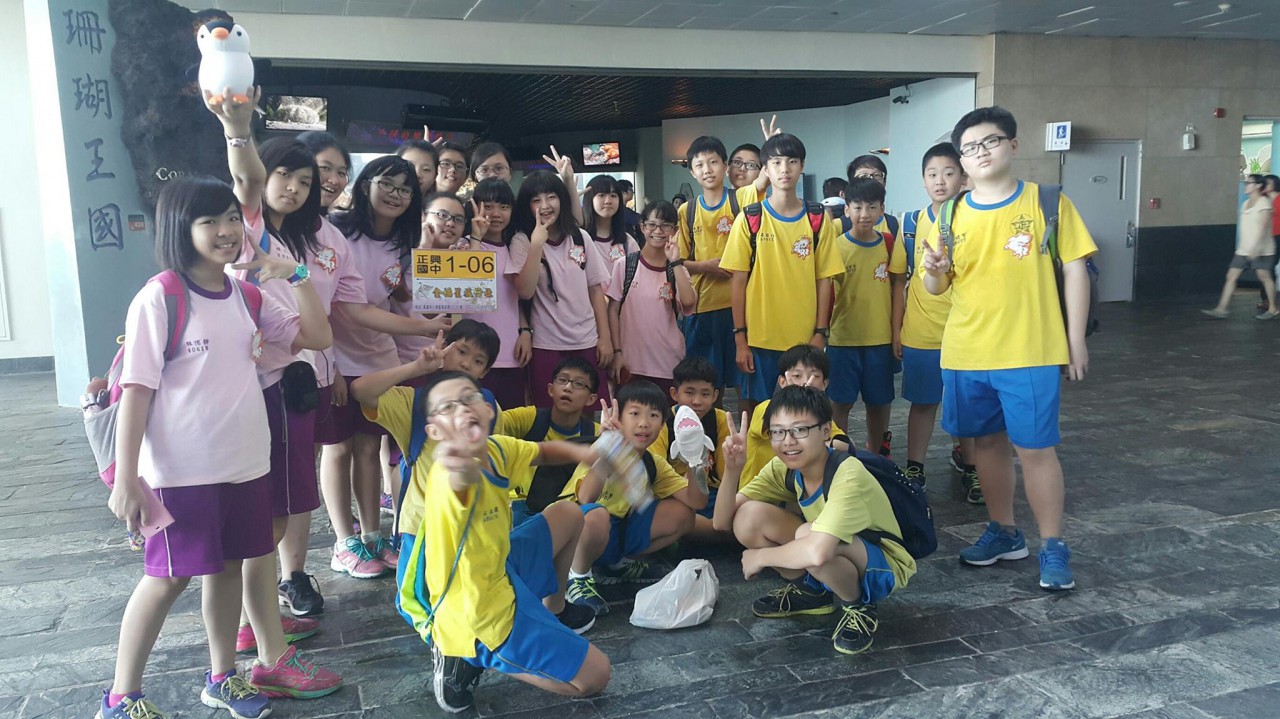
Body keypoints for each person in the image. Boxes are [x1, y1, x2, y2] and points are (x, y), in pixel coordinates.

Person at [96, 161, 330, 717]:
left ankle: (223, 676)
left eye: (231, 218)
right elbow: (137, 392)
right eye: (209, 221)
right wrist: (127, 478)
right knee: (167, 579)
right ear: (181, 228)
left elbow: (318, 337)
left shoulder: (247, 296)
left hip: (246, 463)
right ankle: (121, 696)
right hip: (180, 471)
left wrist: (296, 275)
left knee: (229, 568)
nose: (226, 231)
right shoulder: (161, 297)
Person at [920, 106, 1097, 591]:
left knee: (1036, 450)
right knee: (986, 446)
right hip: (966, 352)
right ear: (962, 159)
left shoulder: (1047, 202)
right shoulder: (949, 214)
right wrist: (935, 269)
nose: (981, 153)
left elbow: (1075, 269)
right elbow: (936, 287)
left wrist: (1074, 338)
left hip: (1029, 350)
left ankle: (1053, 545)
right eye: (970, 148)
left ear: (1013, 145)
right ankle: (1003, 531)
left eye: (990, 142)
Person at [367, 370, 612, 712]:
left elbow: (541, 452)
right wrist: (459, 462)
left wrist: (590, 452)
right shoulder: (450, 473)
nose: (462, 408)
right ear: (434, 431)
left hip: (499, 569)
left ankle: (554, 610)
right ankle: (469, 656)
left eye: (469, 398)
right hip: (477, 612)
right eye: (447, 407)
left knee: (568, 514)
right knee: (597, 675)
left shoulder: (496, 448)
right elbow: (460, 479)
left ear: (488, 410)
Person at [218, 124, 344, 694]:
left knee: (271, 517)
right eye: (283, 175)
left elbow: (316, 330)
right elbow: (245, 181)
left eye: (304, 181)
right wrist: (236, 129)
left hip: (285, 384)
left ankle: (258, 621)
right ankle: (268, 651)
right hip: (267, 389)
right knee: (266, 521)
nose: (293, 187)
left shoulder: (287, 241)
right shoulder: (250, 232)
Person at [712, 385, 916, 655]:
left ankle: (858, 606)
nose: (788, 441)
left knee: (808, 536)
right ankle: (811, 593)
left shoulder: (847, 473)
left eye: (799, 430)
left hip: (882, 564)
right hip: (825, 544)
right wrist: (733, 470)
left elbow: (817, 551)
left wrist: (760, 557)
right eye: (778, 432)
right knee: (748, 518)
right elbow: (721, 523)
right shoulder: (784, 467)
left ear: (826, 431)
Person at [322, 155, 434, 579]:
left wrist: (441, 285)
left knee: (370, 447)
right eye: (387, 183)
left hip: (378, 356)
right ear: (366, 183)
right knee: (337, 448)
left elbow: (396, 294)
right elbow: (338, 304)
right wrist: (330, 364)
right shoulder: (336, 231)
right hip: (335, 355)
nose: (395, 194)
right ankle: (343, 541)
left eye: (405, 189)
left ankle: (372, 535)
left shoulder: (404, 242)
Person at [566, 381, 709, 615]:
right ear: (619, 419)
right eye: (634, 414)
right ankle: (577, 577)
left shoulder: (653, 462)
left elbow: (697, 502)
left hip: (615, 534)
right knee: (596, 514)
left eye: (653, 415)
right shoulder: (599, 449)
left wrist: (696, 460)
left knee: (683, 515)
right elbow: (585, 497)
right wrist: (608, 452)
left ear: (662, 424)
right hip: (575, 537)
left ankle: (618, 564)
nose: (644, 423)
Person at [723, 133, 842, 407]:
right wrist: (740, 339)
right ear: (765, 169)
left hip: (805, 340)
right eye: (776, 162)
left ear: (802, 166)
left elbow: (825, 280)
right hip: (760, 338)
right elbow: (738, 283)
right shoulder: (750, 218)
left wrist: (820, 332)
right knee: (760, 412)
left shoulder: (817, 218)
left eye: (792, 161)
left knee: (804, 411)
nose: (784, 169)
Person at [889, 142, 979, 498]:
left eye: (948, 173)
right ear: (923, 180)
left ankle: (971, 466)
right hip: (921, 331)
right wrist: (896, 329)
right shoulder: (912, 223)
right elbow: (899, 279)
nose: (940, 181)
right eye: (932, 174)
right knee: (923, 402)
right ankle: (915, 466)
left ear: (963, 178)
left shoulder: (976, 221)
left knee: (966, 405)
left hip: (966, 332)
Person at [510, 170, 613, 405]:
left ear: (562, 199)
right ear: (527, 206)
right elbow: (524, 291)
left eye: (551, 197)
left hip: (587, 341)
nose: (545, 206)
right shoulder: (522, 240)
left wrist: (605, 338)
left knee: (591, 409)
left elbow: (595, 291)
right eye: (536, 200)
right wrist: (536, 245)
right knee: (549, 411)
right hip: (546, 343)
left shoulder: (580, 237)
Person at [678, 135, 767, 399]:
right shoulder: (687, 211)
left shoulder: (740, 198)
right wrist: (706, 266)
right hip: (702, 309)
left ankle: (745, 427)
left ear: (725, 166)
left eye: (713, 162)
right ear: (692, 172)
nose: (707, 170)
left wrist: (772, 148)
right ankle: (711, 427)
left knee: (745, 381)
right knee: (705, 385)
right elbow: (678, 261)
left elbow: (765, 179)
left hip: (741, 307)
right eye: (699, 165)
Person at [827, 178, 895, 455]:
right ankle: (838, 456)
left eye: (872, 207)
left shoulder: (889, 244)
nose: (864, 214)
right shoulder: (836, 247)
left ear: (882, 210)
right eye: (857, 207)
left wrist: (897, 333)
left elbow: (898, 290)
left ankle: (876, 455)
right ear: (847, 210)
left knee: (878, 403)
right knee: (840, 403)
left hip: (880, 339)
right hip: (843, 339)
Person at [499, 356, 602, 526]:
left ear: (591, 399)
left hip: (565, 509)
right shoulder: (529, 418)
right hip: (520, 505)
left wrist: (613, 439)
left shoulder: (596, 433)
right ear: (551, 389)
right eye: (562, 380)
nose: (568, 388)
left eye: (578, 384)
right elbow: (491, 422)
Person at [608, 201, 696, 395]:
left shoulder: (676, 270)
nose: (658, 231)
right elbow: (613, 311)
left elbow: (689, 303)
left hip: (668, 363)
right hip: (630, 363)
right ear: (642, 227)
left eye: (665, 225)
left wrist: (676, 261)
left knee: (665, 413)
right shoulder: (625, 265)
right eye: (652, 225)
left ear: (675, 230)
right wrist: (617, 352)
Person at [464, 178, 533, 409]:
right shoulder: (464, 246)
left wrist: (525, 330)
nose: (496, 213)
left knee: (510, 421)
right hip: (472, 356)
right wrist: (476, 238)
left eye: (503, 206)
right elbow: (468, 289)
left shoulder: (515, 247)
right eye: (488, 206)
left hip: (511, 353)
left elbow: (513, 298)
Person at [649, 357, 733, 541]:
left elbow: (725, 473)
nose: (697, 401)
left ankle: (714, 532)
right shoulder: (663, 422)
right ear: (674, 393)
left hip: (710, 493)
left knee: (737, 509)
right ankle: (721, 533)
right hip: (675, 494)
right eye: (689, 392)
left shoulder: (719, 420)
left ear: (715, 396)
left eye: (705, 394)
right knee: (675, 514)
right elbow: (656, 474)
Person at [742, 344, 850, 483]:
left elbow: (845, 445)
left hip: (793, 488)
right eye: (797, 376)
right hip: (758, 488)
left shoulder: (818, 415)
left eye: (814, 376)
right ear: (782, 381)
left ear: (824, 384)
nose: (805, 382)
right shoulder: (766, 407)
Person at [1204, 173, 1277, 320]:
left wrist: (1256, 247)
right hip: (1243, 249)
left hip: (1261, 249)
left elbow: (1263, 227)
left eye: (1249, 183)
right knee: (1231, 276)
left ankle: (1273, 308)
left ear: (1258, 186)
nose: (1246, 185)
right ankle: (1221, 308)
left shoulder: (1263, 203)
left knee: (1264, 276)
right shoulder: (1245, 204)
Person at [583, 175, 639, 265]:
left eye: (613, 196)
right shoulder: (580, 240)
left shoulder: (628, 242)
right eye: (601, 195)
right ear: (590, 199)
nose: (608, 201)